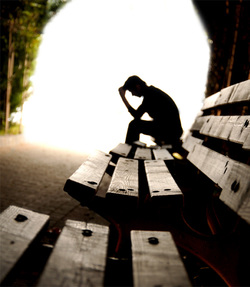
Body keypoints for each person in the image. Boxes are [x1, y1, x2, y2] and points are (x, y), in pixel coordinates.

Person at [118, 75, 183, 148]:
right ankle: (131, 150)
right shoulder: (150, 93)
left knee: (134, 125)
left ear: (137, 87)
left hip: (171, 132)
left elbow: (137, 115)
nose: (132, 94)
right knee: (135, 124)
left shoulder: (150, 95)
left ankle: (128, 151)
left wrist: (123, 97)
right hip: (171, 130)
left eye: (131, 91)